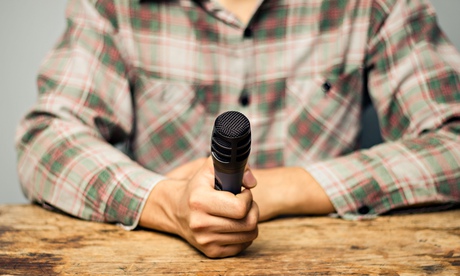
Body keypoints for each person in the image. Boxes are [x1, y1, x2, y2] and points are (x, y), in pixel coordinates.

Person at [15, 0, 460, 258]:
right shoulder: (114, 6)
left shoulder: (374, 5)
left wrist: (279, 191)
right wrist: (164, 202)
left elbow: (452, 142)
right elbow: (47, 137)